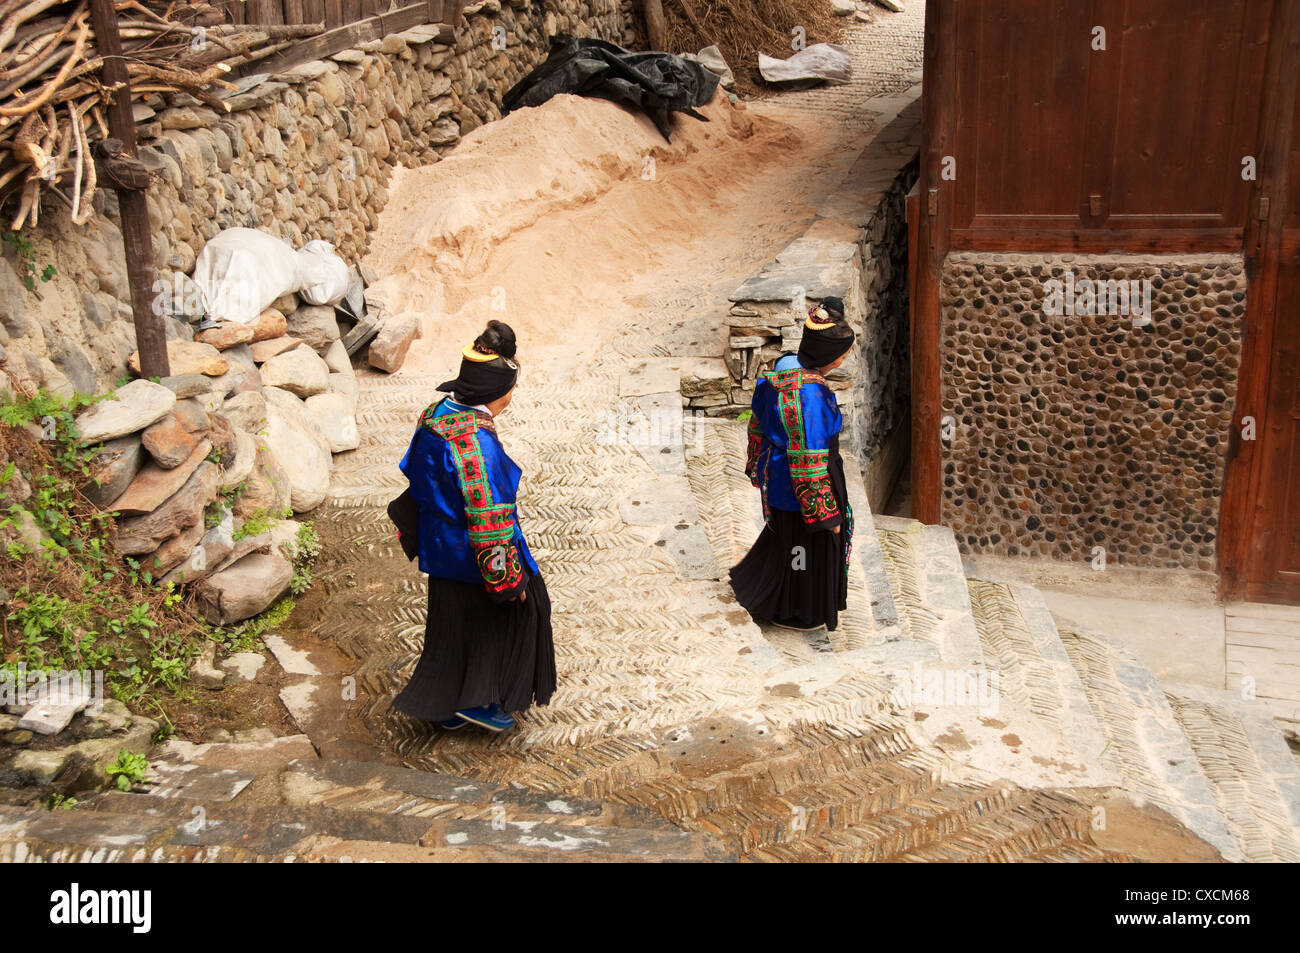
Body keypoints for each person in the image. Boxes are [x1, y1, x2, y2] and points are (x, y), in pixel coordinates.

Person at [391, 320, 556, 732]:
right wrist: (506, 582)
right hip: (473, 559)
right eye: (512, 387)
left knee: (449, 630)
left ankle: (445, 704)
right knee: (515, 613)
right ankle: (478, 702)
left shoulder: (435, 414)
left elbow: (415, 472)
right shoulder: (475, 445)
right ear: (496, 393)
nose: (513, 394)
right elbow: (488, 522)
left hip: (440, 548)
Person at [729, 297, 856, 632]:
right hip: (801, 486)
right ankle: (795, 610)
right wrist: (827, 517)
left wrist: (757, 460)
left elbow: (758, 418)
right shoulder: (810, 397)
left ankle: (768, 593)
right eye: (844, 352)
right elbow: (808, 463)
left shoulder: (787, 366)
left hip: (778, 475)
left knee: (786, 541)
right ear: (830, 357)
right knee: (804, 547)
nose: (845, 358)